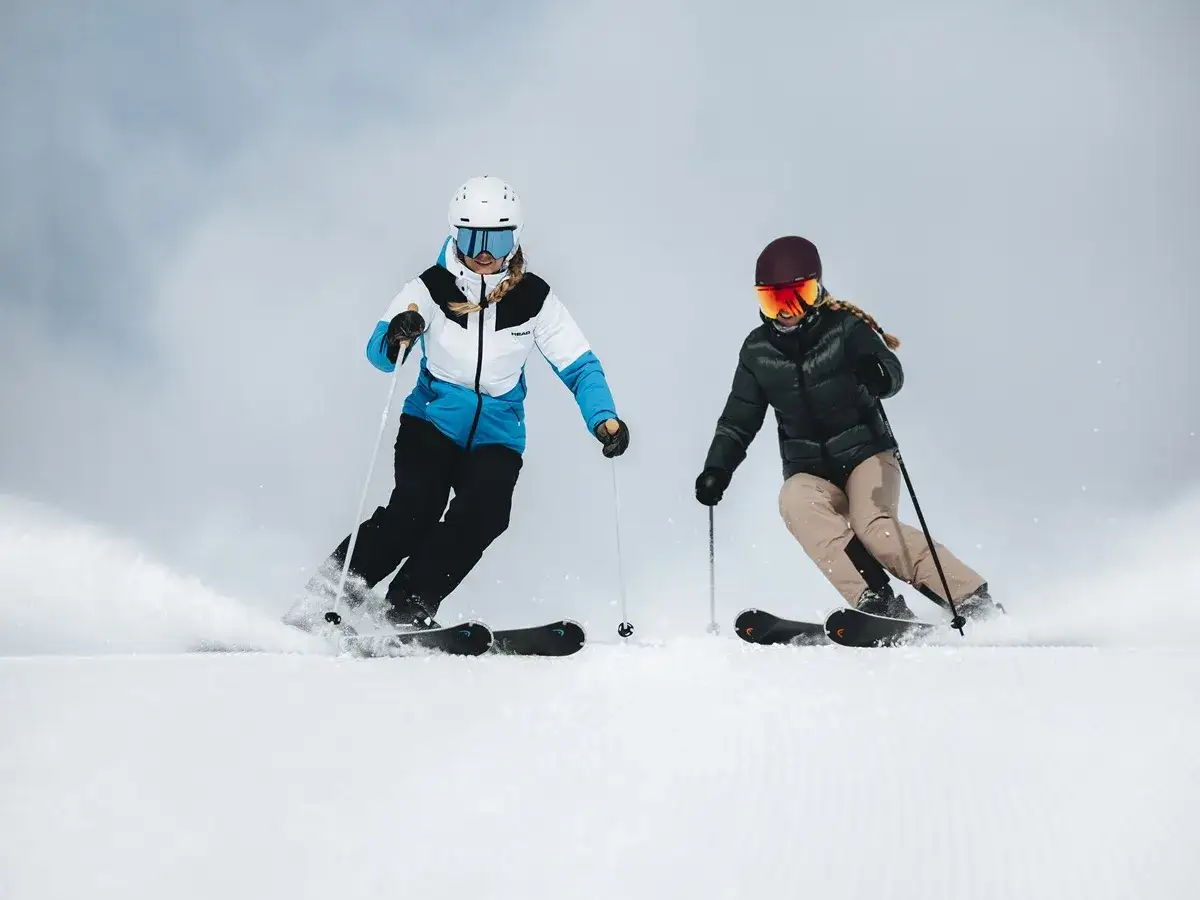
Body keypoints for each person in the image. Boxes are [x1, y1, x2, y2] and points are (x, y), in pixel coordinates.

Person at [290, 175, 629, 632]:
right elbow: (380, 353)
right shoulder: (430, 287)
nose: (484, 252)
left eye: (497, 239)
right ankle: (324, 598)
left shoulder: (535, 299)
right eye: (473, 238)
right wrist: (398, 333)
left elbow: (580, 366)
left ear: (515, 239)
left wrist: (603, 418)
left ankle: (407, 606)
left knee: (485, 515)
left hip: (498, 434)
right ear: (456, 234)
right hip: (431, 423)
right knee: (415, 510)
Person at [694, 235, 999, 622]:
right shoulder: (757, 351)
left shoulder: (845, 328)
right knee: (795, 500)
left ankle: (969, 597)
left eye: (796, 298)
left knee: (874, 528)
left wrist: (880, 374)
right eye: (773, 301)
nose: (786, 312)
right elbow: (738, 419)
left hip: (867, 456)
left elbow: (891, 370)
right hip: (811, 471)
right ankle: (877, 601)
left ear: (816, 291)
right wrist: (717, 468)